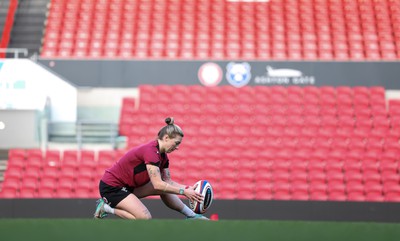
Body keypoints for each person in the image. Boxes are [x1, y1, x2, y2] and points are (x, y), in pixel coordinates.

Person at [94, 117, 208, 220]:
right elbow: (158, 184)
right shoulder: (151, 152)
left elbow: (167, 182)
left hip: (129, 186)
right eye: (176, 143)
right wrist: (183, 191)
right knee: (145, 218)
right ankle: (106, 208)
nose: (177, 147)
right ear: (166, 138)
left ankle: (192, 216)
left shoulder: (163, 156)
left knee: (165, 188)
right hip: (112, 187)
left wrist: (189, 189)